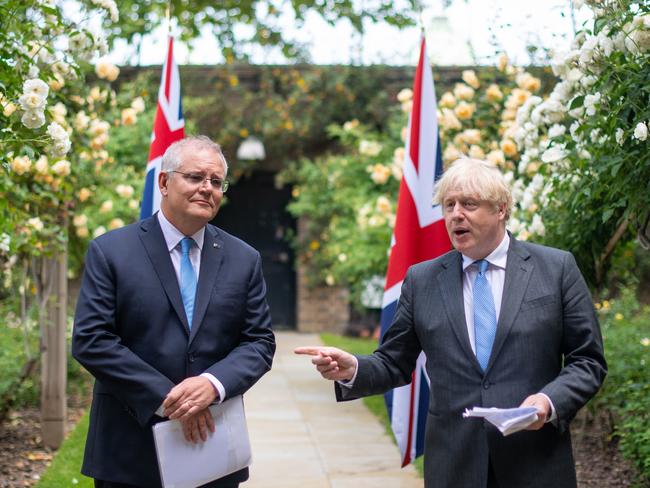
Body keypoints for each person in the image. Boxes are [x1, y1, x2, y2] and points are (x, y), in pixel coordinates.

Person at [295, 158, 606, 488]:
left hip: (535, 461)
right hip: (454, 465)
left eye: (469, 204)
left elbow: (587, 361)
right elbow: (393, 362)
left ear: (501, 209)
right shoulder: (422, 280)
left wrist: (548, 402)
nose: (456, 214)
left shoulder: (555, 269)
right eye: (449, 205)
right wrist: (353, 368)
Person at [72, 135, 276, 488]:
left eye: (216, 181)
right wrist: (169, 399)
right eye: (195, 177)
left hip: (212, 449)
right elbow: (92, 340)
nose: (207, 188)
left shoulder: (244, 259)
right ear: (164, 182)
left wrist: (212, 385)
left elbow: (258, 342)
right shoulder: (111, 251)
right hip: (129, 450)